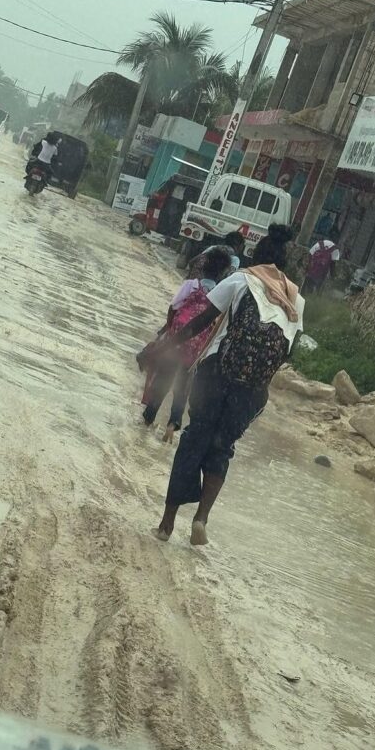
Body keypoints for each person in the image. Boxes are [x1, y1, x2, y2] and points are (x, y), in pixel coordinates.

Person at [154, 224, 304, 546]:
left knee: (194, 439)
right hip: (252, 391)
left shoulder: (240, 280)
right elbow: (289, 350)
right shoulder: (296, 298)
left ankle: (166, 524)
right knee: (223, 447)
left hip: (216, 376)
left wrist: (167, 344)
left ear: (255, 256)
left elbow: (202, 320)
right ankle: (202, 519)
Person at [138, 247, 233, 442]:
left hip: (176, 344)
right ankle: (172, 425)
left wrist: (170, 330)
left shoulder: (190, 285)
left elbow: (173, 307)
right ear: (224, 272)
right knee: (182, 388)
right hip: (196, 350)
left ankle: (148, 420)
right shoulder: (220, 293)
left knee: (162, 381)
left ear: (203, 266)